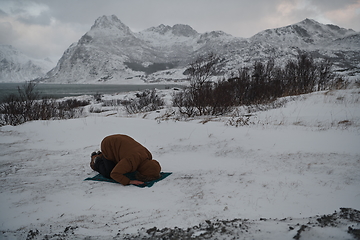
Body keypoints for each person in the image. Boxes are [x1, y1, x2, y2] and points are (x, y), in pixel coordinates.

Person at [90, 134, 161, 186]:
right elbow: (114, 174)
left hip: (121, 140)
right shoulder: (130, 161)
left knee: (119, 165)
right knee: (108, 172)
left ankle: (102, 155)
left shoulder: (148, 155)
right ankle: (96, 159)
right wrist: (129, 181)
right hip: (108, 145)